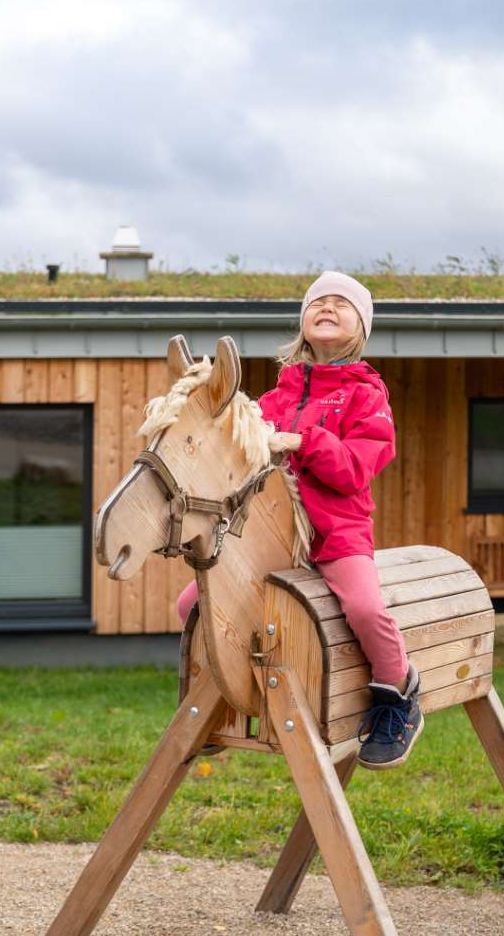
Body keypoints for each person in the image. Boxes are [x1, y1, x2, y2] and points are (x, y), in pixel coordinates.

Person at [176, 270, 423, 769]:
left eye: (342, 304)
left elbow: (356, 469)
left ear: (361, 328)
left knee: (365, 609)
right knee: (193, 605)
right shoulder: (274, 399)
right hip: (269, 537)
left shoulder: (367, 395)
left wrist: (303, 442)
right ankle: (230, 691)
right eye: (318, 303)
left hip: (336, 533)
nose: (327, 307)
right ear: (303, 322)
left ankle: (397, 695)